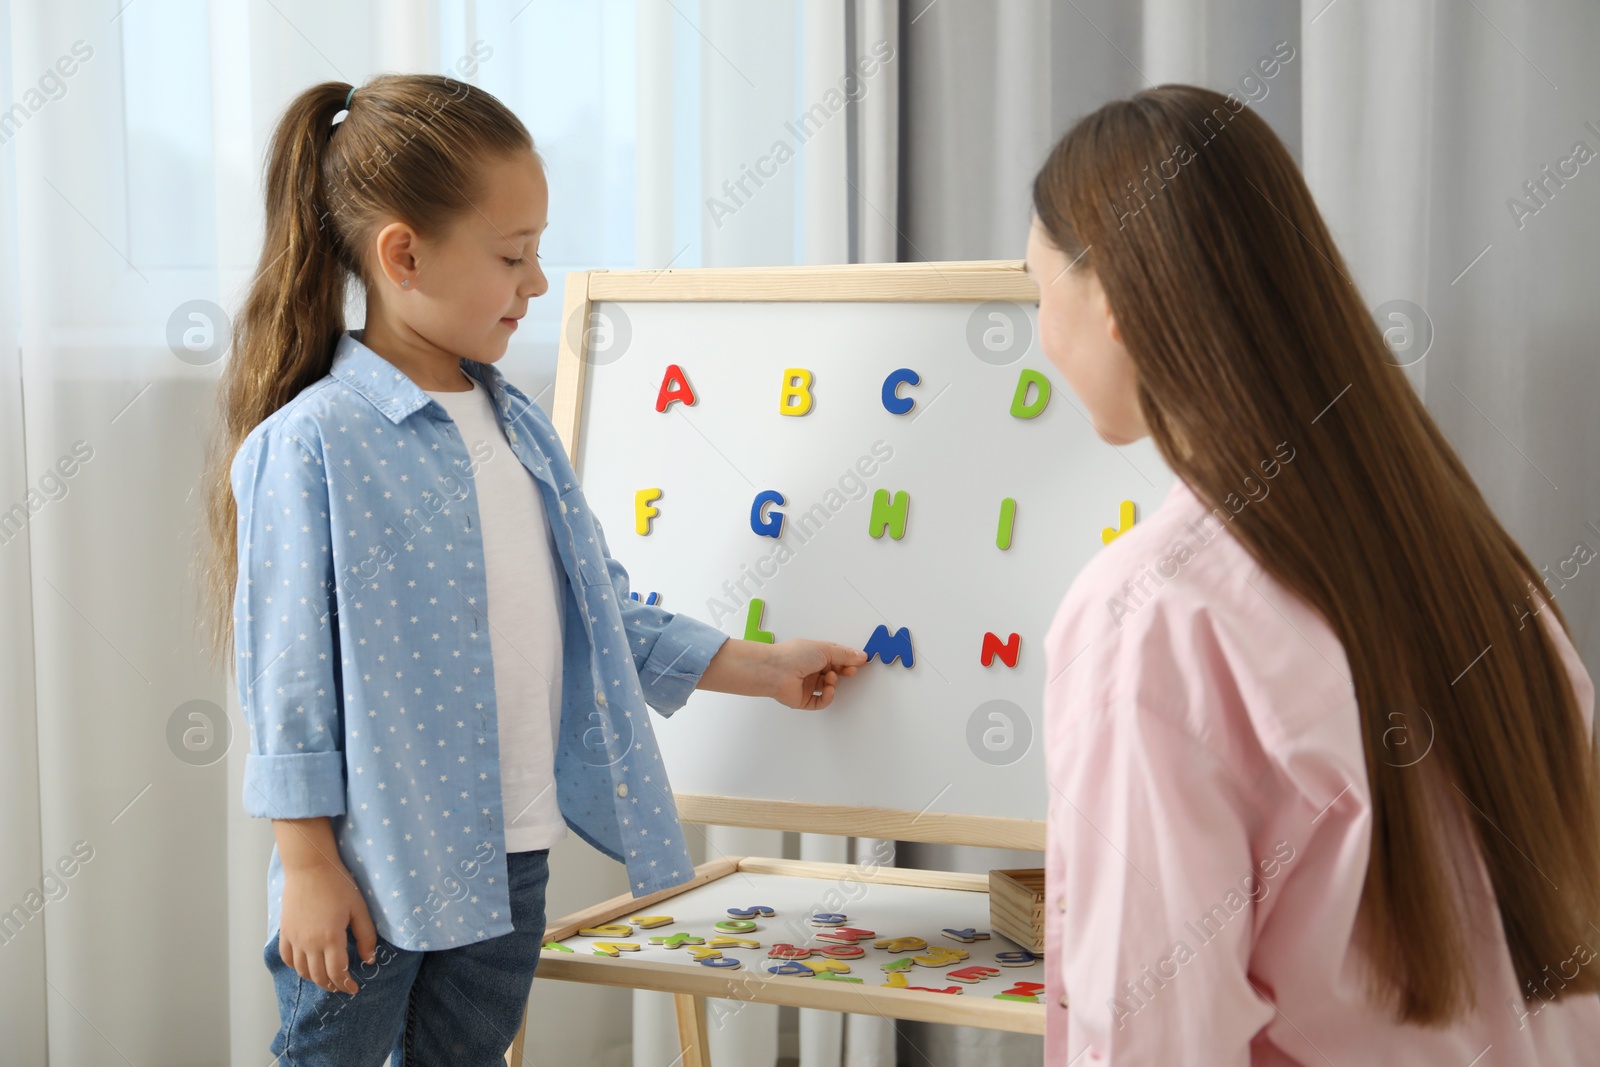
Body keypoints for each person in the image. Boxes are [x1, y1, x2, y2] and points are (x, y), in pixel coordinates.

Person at [196, 73, 867, 1065]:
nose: (536, 283)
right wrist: (305, 863)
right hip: (372, 865)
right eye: (514, 256)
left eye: (538, 254)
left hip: (512, 855)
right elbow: (288, 676)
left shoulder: (520, 430)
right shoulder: (314, 444)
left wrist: (760, 666)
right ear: (402, 253)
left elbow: (597, 609)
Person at [1029, 84, 1600, 1064]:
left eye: (1035, 291)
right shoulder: (1486, 572)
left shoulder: (1152, 614)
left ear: (1113, 299)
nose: (1039, 337)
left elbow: (1154, 1036)